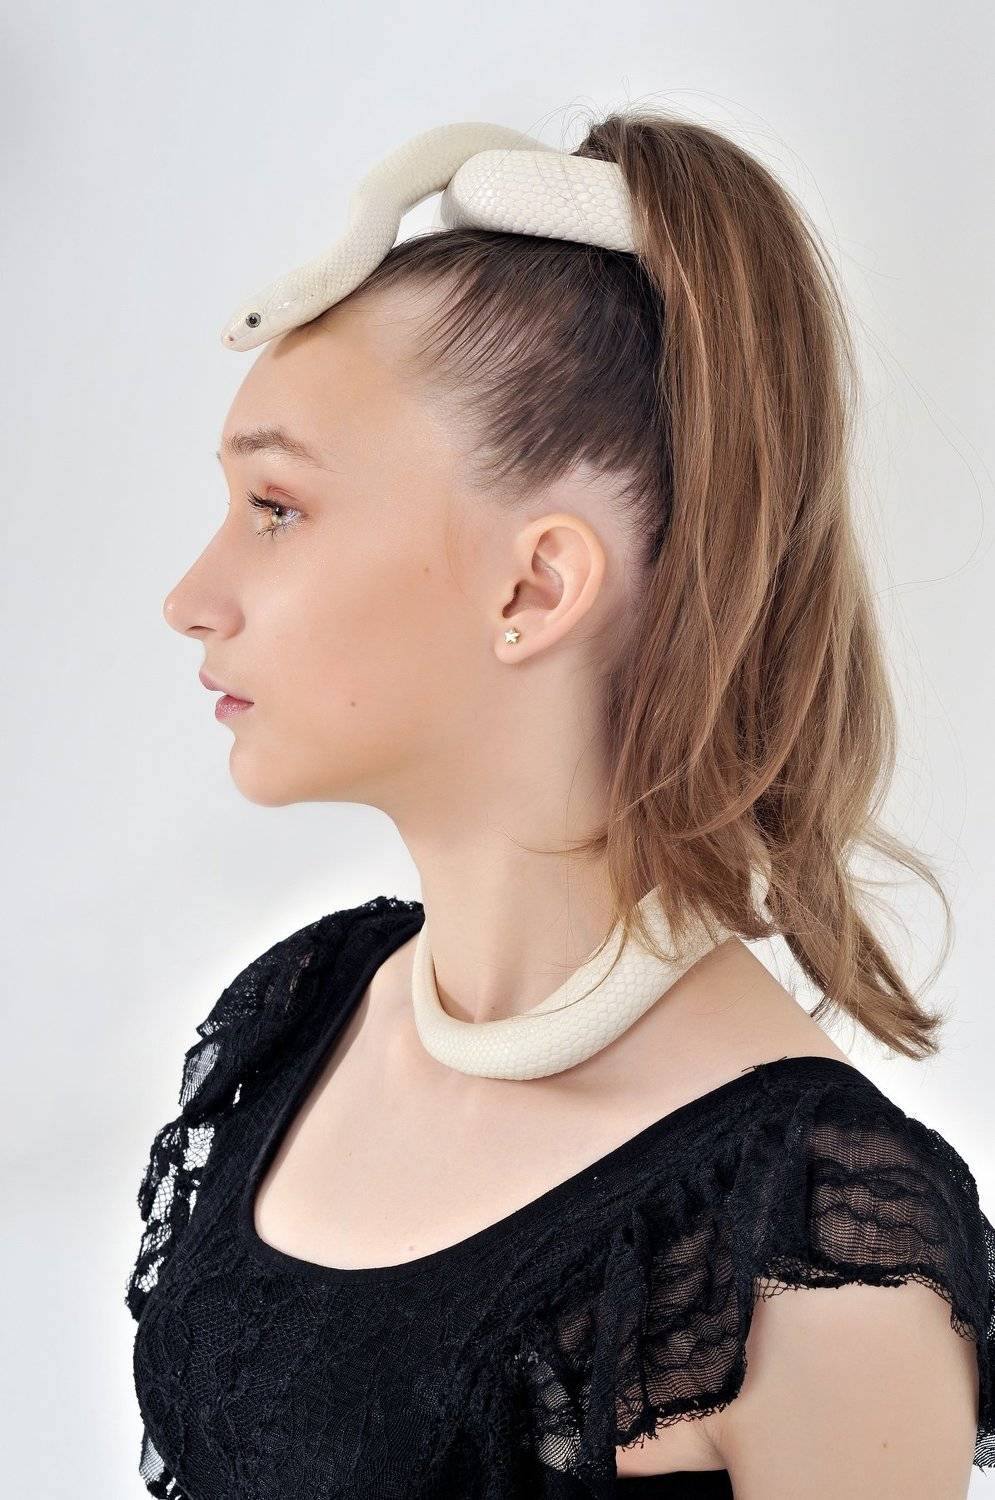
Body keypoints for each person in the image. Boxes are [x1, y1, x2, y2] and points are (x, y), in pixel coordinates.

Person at [125, 109, 995, 1498]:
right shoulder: (302, 1017)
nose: (191, 598)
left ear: (534, 587)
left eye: (275, 508)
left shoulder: (808, 1263)